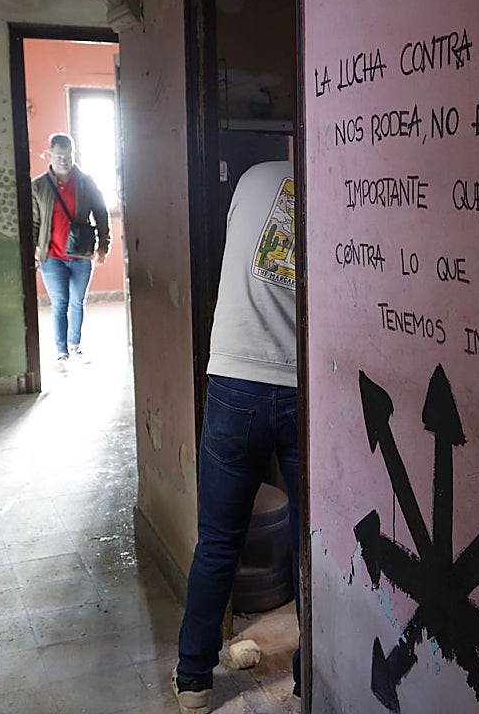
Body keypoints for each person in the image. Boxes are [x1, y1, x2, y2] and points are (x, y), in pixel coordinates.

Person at [173, 158, 299, 714]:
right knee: (307, 541)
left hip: (234, 381)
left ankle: (194, 682)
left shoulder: (252, 178)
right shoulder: (337, 180)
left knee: (218, 541)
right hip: (302, 384)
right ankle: (308, 680)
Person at [30, 132, 110, 372]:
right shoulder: (38, 186)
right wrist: (32, 250)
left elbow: (101, 213)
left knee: (77, 301)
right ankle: (61, 353)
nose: (64, 160)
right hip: (52, 257)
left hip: (81, 254)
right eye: (59, 156)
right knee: (60, 302)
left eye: (68, 156)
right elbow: (33, 222)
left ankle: (75, 347)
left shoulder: (86, 182)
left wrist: (103, 246)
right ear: (50, 155)